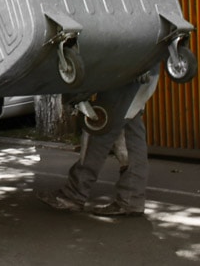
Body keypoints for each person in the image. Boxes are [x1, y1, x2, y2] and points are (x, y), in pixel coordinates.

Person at [37, 64, 161, 217]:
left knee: (98, 131)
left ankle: (74, 194)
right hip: (145, 72)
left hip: (126, 75)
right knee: (130, 132)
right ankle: (131, 199)